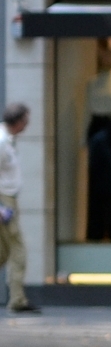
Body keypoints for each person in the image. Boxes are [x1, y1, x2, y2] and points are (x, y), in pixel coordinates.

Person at [0, 104, 34, 313]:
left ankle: (17, 298)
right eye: (26, 120)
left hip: (7, 199)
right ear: (19, 121)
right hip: (4, 202)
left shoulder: (6, 139)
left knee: (3, 252)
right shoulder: (2, 142)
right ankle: (17, 300)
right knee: (18, 249)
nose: (27, 125)